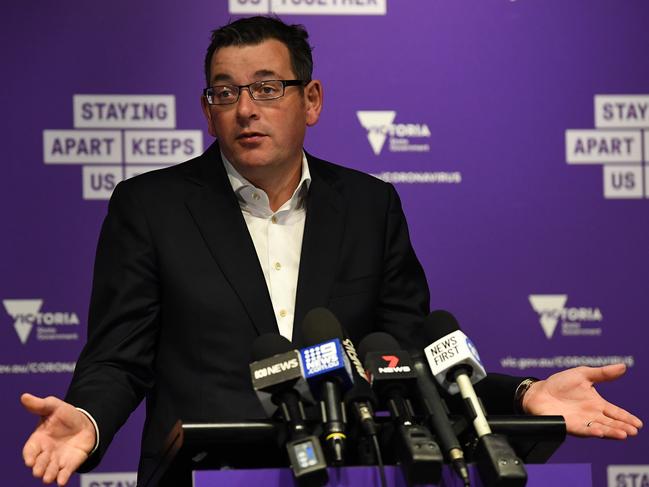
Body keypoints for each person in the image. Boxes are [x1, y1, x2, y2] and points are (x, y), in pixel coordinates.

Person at [21, 16, 642, 487]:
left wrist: (521, 394)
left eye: (266, 88)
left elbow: (407, 355)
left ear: (310, 100)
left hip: (347, 471)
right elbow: (119, 358)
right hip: (204, 475)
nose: (244, 110)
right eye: (224, 93)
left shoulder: (370, 206)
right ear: (207, 110)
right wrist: (89, 418)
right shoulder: (149, 207)